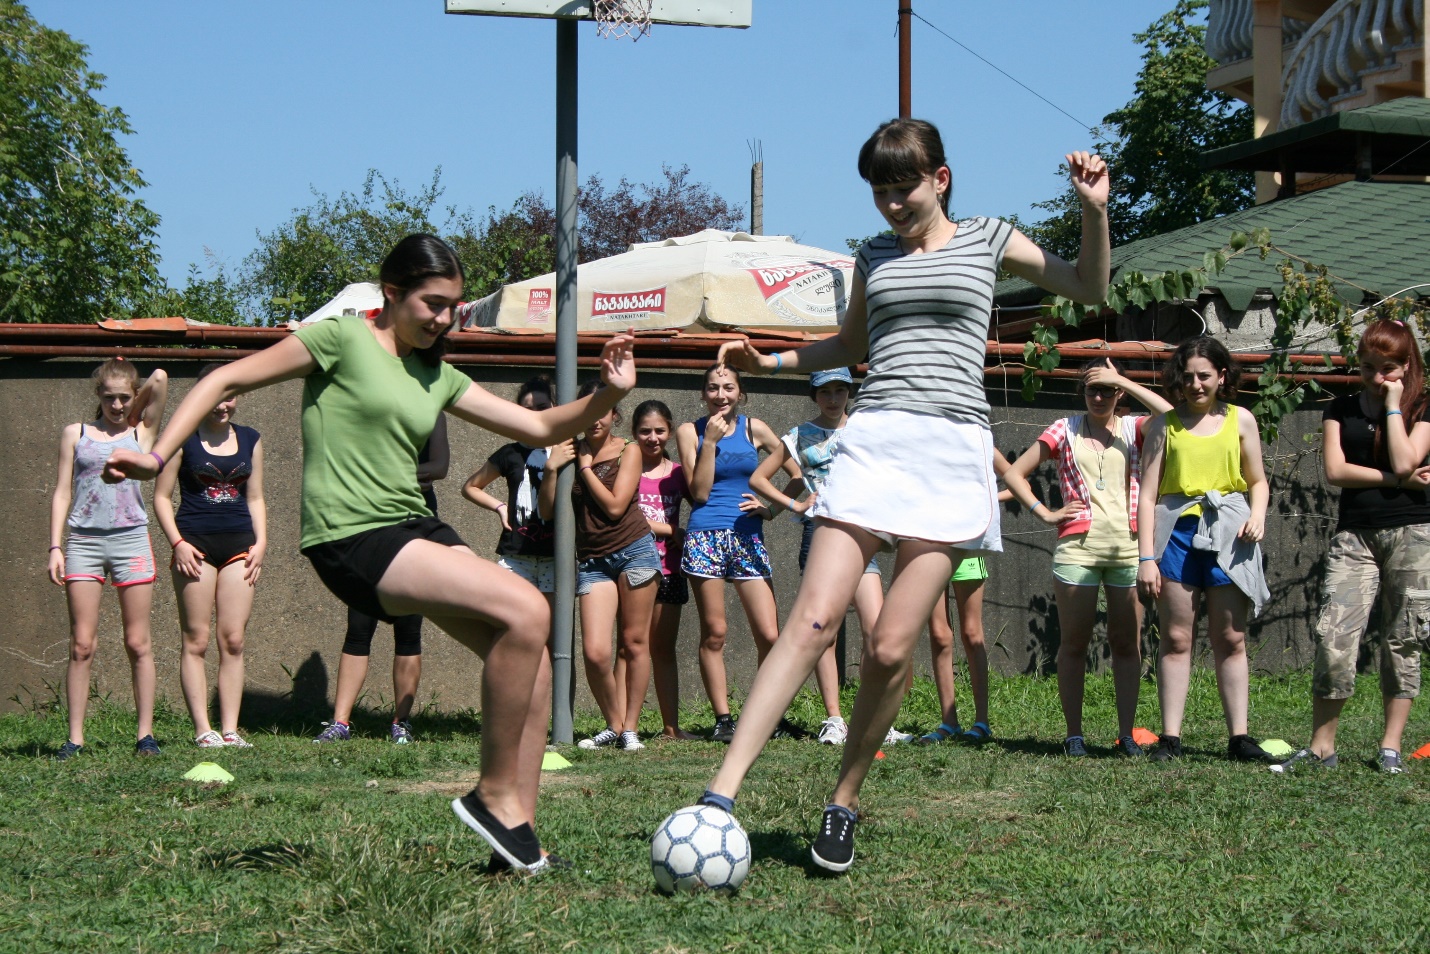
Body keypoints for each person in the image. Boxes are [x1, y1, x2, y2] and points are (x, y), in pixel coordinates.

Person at [104, 234, 636, 873]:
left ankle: (512, 829)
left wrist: (608, 393)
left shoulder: (436, 375)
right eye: (433, 304)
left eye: (454, 307)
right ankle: (495, 795)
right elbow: (225, 375)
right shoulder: (342, 338)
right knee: (525, 607)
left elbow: (543, 428)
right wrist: (157, 454)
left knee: (528, 651)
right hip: (351, 537)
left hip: (412, 524)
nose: (444, 318)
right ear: (393, 293)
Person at [699, 117, 1110, 874]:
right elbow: (850, 348)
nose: (890, 204)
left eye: (904, 187)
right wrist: (774, 355)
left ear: (941, 179)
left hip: (952, 454)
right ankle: (718, 796)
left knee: (892, 646)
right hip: (877, 440)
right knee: (813, 618)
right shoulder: (875, 255)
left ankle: (845, 798)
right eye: (880, 191)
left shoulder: (988, 238)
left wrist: (1094, 210)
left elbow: (1089, 287)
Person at [1271, 319, 1430, 775]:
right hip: (1355, 534)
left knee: (1404, 637)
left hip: (1415, 533)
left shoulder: (1422, 408)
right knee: (1335, 634)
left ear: (1407, 365)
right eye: (1367, 367)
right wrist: (1400, 481)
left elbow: (1405, 454)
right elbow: (1336, 472)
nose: (1377, 378)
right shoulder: (1340, 408)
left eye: (1388, 369)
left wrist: (1396, 406)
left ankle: (1391, 747)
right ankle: (1323, 747)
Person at [1006, 357, 1172, 757]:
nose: (1099, 396)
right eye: (1092, 389)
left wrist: (1122, 380)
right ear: (1082, 393)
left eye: (1107, 389)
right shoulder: (1065, 429)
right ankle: (1074, 734)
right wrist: (1044, 513)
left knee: (1127, 643)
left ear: (1119, 393)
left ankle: (1126, 735)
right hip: (1077, 550)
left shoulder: (1135, 428)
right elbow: (1014, 472)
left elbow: (1169, 416)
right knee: (1074, 643)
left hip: (1130, 548)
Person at [1136, 337, 1273, 764]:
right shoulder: (1162, 426)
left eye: (1205, 375)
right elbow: (1147, 495)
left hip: (1231, 534)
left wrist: (1259, 514)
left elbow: (1258, 481)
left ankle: (1239, 738)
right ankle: (1170, 738)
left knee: (1230, 637)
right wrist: (1146, 558)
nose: (1196, 384)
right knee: (1176, 637)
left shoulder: (1242, 420)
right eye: (1189, 376)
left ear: (1222, 376)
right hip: (1177, 535)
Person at [747, 367, 887, 746]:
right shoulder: (797, 435)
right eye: (825, 391)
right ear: (814, 395)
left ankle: (874, 719)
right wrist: (791, 505)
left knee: (877, 629)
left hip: (863, 533)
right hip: (820, 534)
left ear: (849, 394)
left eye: (840, 390)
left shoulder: (865, 428)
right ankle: (835, 719)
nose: (833, 398)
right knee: (824, 629)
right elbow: (760, 479)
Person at [48, 358, 169, 760]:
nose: (116, 406)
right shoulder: (76, 434)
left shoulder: (142, 432)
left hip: (131, 541)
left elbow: (162, 380)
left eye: (123, 398)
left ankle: (145, 735)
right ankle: (75, 739)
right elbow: (63, 492)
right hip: (83, 542)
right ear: (96, 396)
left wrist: (137, 401)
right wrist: (55, 546)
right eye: (108, 397)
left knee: (138, 642)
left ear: (133, 397)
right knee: (82, 644)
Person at [676, 364, 803, 743]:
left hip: (747, 536)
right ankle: (723, 720)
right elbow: (697, 492)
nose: (721, 395)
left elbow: (797, 476)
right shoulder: (690, 431)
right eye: (713, 388)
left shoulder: (755, 428)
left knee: (769, 634)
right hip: (705, 535)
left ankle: (768, 717)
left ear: (740, 392)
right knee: (715, 633)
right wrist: (710, 443)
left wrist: (771, 508)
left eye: (728, 387)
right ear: (703, 393)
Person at [313, 414, 449, 745]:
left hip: (416, 518)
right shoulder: (371, 404)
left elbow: (440, 466)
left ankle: (401, 723)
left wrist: (392, 475)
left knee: (408, 628)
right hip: (369, 519)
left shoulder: (431, 409)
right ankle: (340, 723)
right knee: (359, 625)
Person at [917, 450, 1068, 746]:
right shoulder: (926, 428)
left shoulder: (976, 432)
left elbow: (1016, 478)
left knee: (972, 633)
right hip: (928, 543)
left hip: (968, 547)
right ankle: (948, 722)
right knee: (938, 634)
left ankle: (981, 721)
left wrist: (987, 500)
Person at [543, 379, 661, 752]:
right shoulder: (568, 451)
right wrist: (551, 470)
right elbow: (547, 512)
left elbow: (614, 506)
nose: (595, 419)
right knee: (595, 651)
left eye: (602, 411)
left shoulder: (629, 450)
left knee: (634, 642)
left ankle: (631, 728)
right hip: (593, 559)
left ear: (614, 414)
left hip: (634, 551)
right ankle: (614, 723)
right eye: (588, 411)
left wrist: (585, 468)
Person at [154, 362, 267, 749]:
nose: (223, 405)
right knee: (196, 641)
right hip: (194, 547)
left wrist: (262, 543)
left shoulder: (251, 438)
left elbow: (255, 497)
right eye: (216, 396)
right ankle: (204, 729)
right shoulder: (181, 438)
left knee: (233, 640)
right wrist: (177, 544)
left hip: (241, 546)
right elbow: (160, 497)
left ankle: (231, 729)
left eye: (229, 396)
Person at [634, 399, 700, 740]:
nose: (652, 437)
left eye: (660, 431)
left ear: (670, 433)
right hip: (633, 568)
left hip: (670, 569)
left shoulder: (677, 474)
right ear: (634, 434)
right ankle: (623, 726)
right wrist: (670, 530)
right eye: (645, 431)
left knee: (663, 648)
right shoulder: (626, 469)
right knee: (631, 647)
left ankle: (671, 727)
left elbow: (702, 501)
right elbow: (626, 517)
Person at [462, 376, 557, 610]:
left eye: (543, 407)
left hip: (556, 556)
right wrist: (500, 506)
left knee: (554, 636)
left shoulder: (567, 449)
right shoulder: (510, 453)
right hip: (517, 556)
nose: (536, 414)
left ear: (555, 407)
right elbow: (470, 487)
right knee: (520, 628)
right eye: (528, 409)